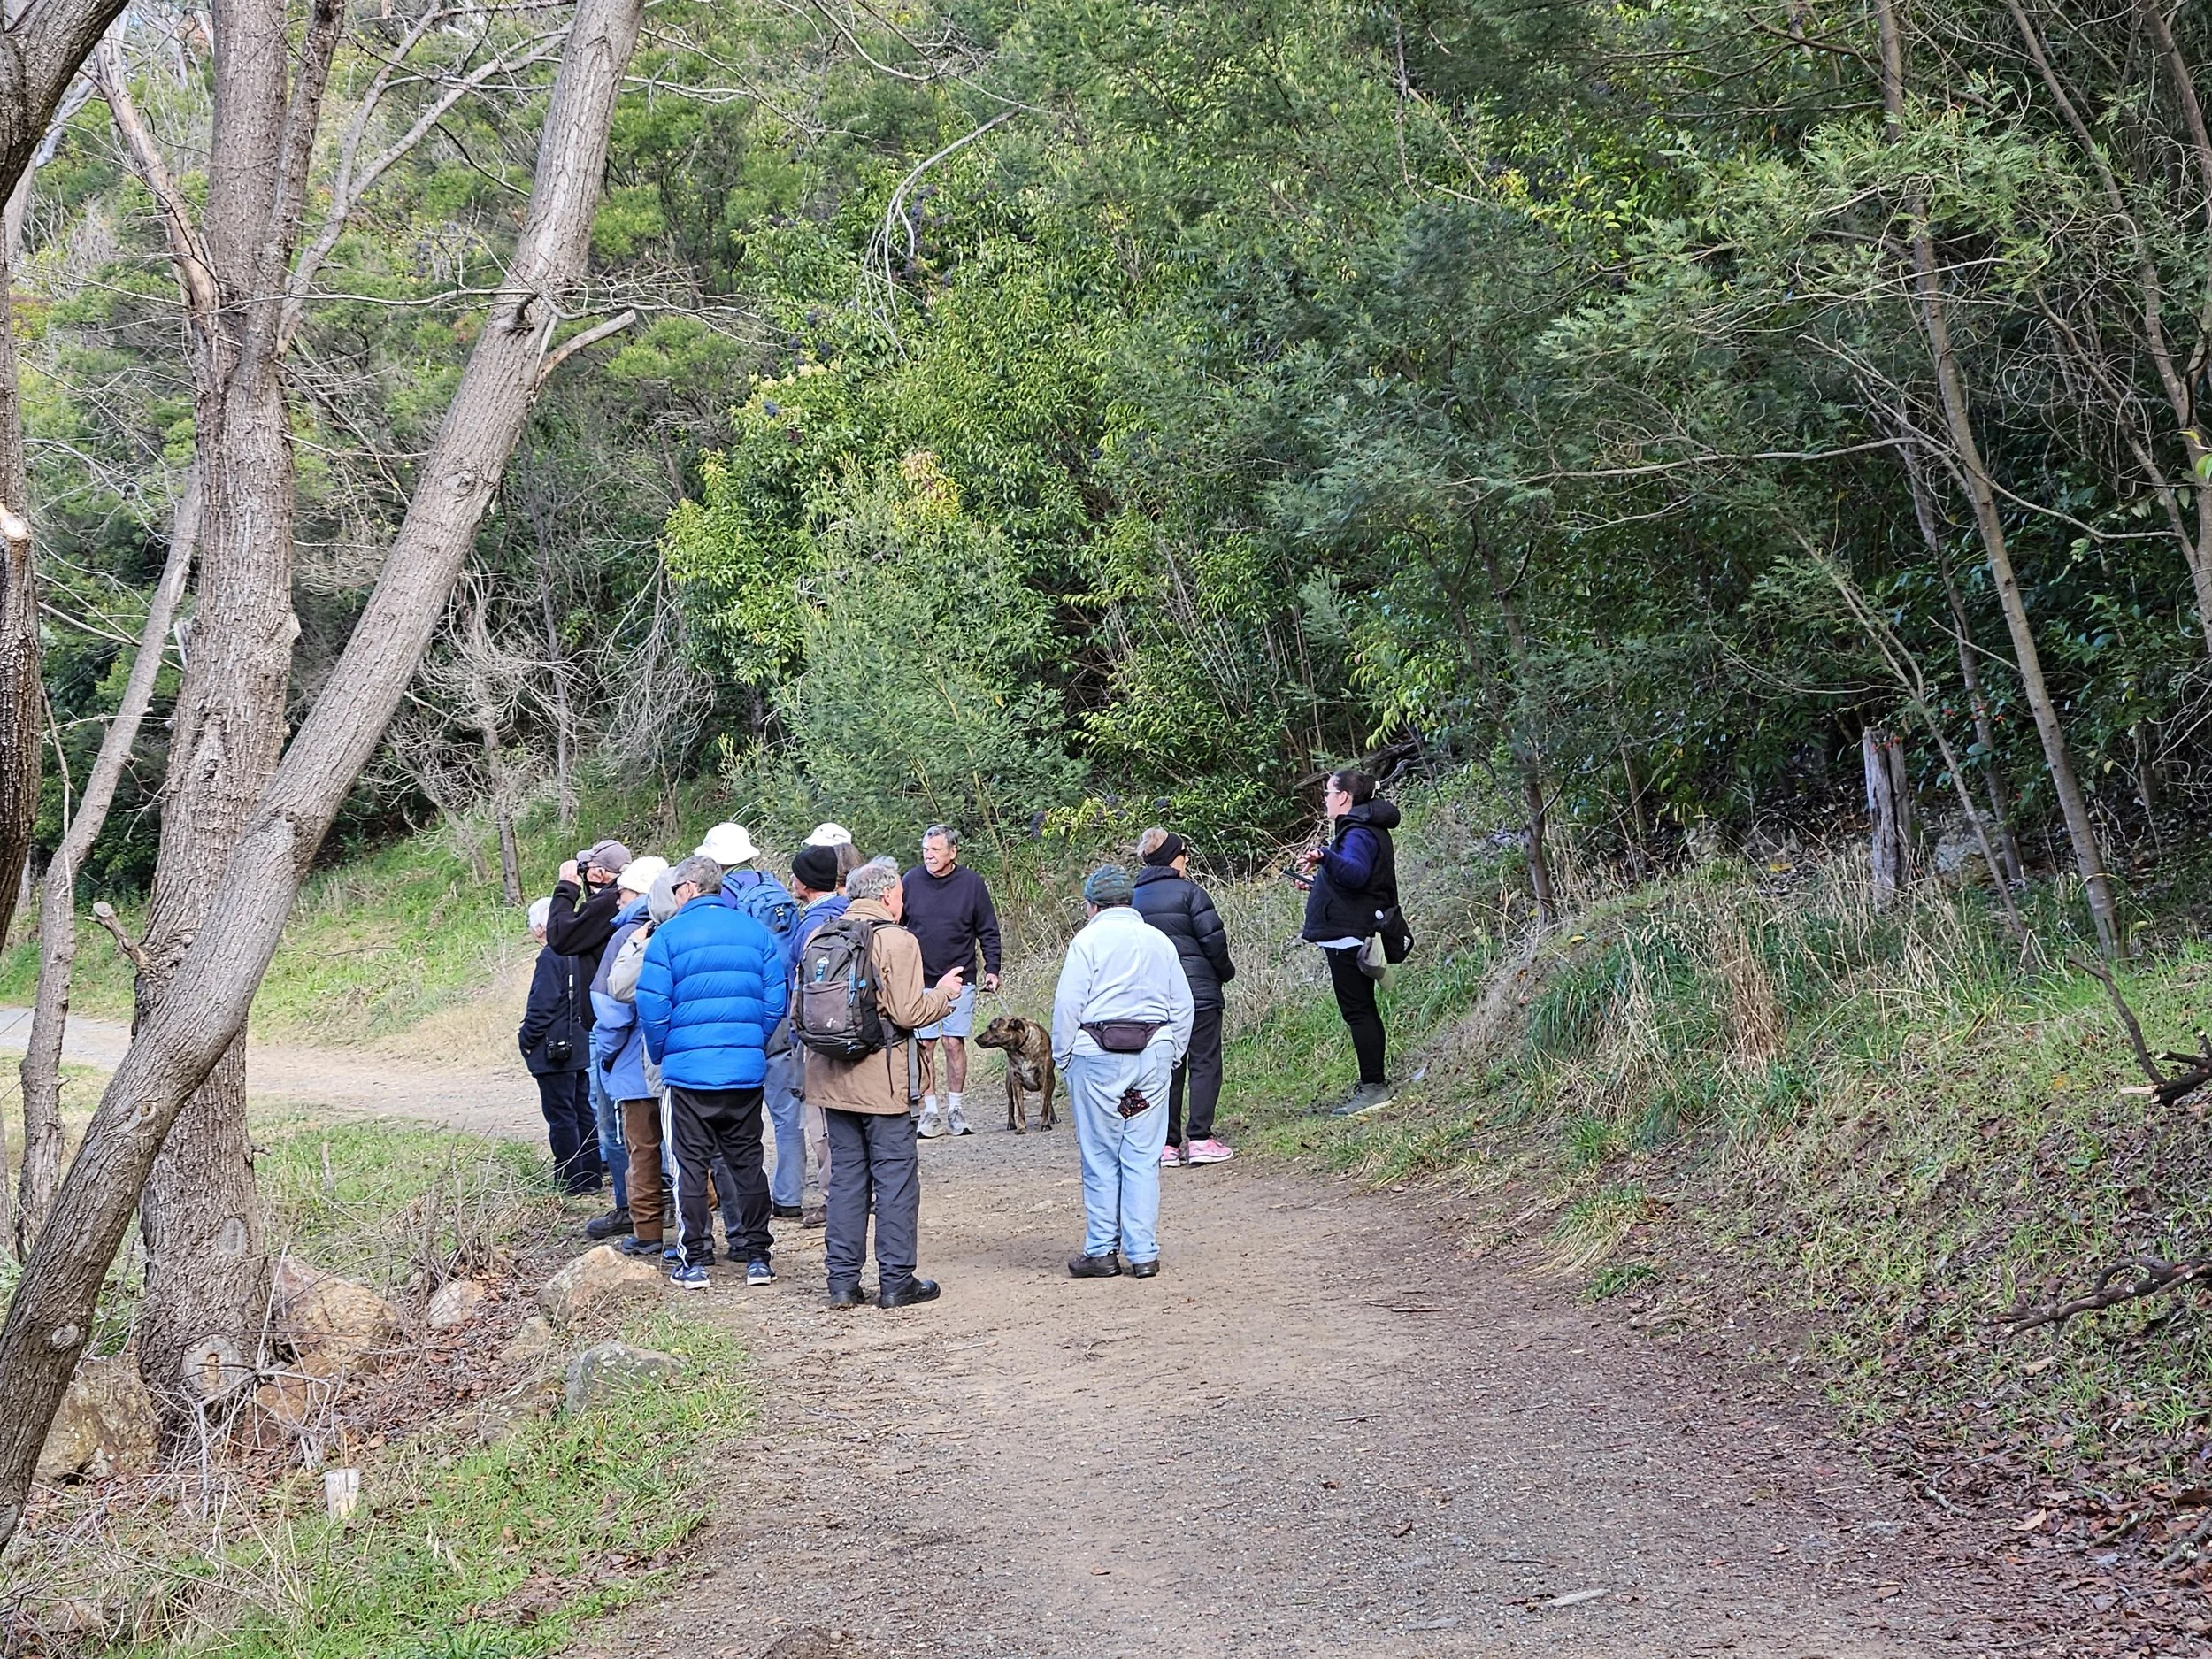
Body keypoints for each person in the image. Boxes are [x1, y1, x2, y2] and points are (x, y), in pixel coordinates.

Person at [797, 856, 964, 1310]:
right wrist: (944, 996)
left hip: (830, 1077)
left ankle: (842, 1284)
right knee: (894, 1180)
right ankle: (895, 1281)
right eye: (901, 895)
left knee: (848, 1179)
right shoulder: (896, 940)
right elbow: (910, 1014)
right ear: (888, 895)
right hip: (883, 1082)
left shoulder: (820, 935)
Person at [635, 854, 788, 1289]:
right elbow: (775, 1000)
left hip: (688, 1074)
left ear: (686, 889)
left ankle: (695, 1259)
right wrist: (749, 1042)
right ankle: (758, 1255)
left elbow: (652, 1005)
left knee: (690, 1166)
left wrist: (665, 1050)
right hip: (743, 1071)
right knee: (747, 1164)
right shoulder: (754, 932)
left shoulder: (667, 937)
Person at [1051, 865, 1193, 1280]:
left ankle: (1101, 1250)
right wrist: (1171, 1055)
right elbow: (1183, 1006)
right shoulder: (1158, 940)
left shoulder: (1088, 939)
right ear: (1130, 901)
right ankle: (1144, 1253)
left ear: (1091, 905)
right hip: (1153, 1054)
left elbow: (1068, 1005)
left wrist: (1064, 1057)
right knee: (1143, 1156)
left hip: (1096, 1055)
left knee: (1100, 1156)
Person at [696, 821, 806, 1220]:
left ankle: (741, 1200)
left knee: (734, 1111)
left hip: (743, 1012)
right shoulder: (776, 890)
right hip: (783, 1007)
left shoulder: (722, 897)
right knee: (785, 1108)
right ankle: (789, 1193)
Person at [1297, 769, 1402, 1116]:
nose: (1325, 799)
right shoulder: (1364, 828)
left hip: (1349, 935)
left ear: (1344, 797)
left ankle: (1374, 1086)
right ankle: (1372, 1082)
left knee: (1358, 1010)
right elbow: (1358, 881)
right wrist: (1319, 883)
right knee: (1361, 1009)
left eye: (1328, 792)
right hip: (1352, 928)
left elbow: (1356, 875)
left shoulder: (1357, 831)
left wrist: (1325, 857)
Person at [546, 837, 634, 1240]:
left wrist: (565, 889)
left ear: (597, 873)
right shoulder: (616, 903)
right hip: (620, 1021)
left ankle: (630, 1205)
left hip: (610, 1025)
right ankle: (649, 1200)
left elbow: (560, 937)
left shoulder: (605, 904)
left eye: (586, 869)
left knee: (615, 1121)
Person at [1132, 828, 1237, 1165]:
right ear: (1171, 858)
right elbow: (1213, 941)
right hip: (1199, 992)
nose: (1187, 859)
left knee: (1167, 1067)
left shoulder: (1132, 900)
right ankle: (1202, 1139)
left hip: (1154, 999)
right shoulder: (1191, 893)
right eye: (1183, 853)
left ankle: (1167, 1145)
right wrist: (1224, 973)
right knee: (1204, 1062)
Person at [590, 856, 672, 1259]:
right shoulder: (685, 928)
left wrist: (606, 1055)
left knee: (642, 1149)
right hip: (680, 1064)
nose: (616, 899)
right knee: (693, 1150)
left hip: (633, 1063)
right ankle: (703, 1224)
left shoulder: (629, 937)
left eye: (622, 891)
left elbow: (611, 1010)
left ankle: (647, 1229)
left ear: (641, 893)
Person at [901, 824, 1002, 1138]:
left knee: (953, 1042)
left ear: (952, 852)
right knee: (925, 1044)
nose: (929, 856)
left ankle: (956, 1109)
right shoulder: (911, 881)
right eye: (925, 851)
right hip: (920, 977)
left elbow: (988, 929)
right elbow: (897, 925)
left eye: (935, 850)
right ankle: (929, 1112)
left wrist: (992, 968)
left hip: (960, 977)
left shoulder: (972, 884)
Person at [518, 897, 600, 1196]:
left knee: (562, 1116)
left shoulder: (551, 956)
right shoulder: (578, 951)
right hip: (578, 1043)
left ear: (540, 927)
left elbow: (542, 1006)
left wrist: (526, 1039)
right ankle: (590, 1175)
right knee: (582, 1111)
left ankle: (570, 1179)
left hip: (555, 1049)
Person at [788, 841, 850, 1227]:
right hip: (856, 1032)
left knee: (821, 1121)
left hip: (817, 1036)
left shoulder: (811, 925)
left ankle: (834, 1197)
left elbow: (794, 982)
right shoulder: (854, 913)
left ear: (803, 883)